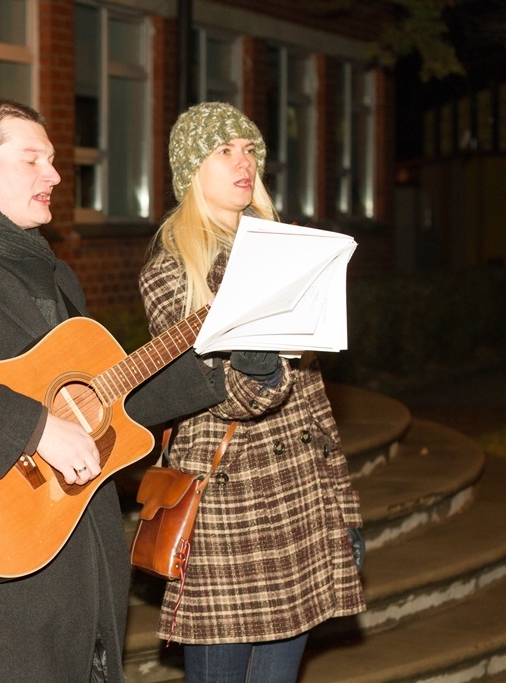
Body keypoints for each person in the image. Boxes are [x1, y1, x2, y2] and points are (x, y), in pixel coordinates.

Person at [0, 98, 227, 682]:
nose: (55, 175)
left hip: (82, 549)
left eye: (54, 160)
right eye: (31, 158)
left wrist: (222, 367)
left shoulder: (55, 274)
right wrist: (34, 428)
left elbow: (110, 405)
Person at [139, 101, 366, 682]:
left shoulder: (285, 253)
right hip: (227, 510)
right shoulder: (172, 268)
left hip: (300, 503)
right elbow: (226, 396)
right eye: (224, 151)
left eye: (250, 151)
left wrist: (344, 513)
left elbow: (314, 404)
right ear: (192, 169)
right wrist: (260, 359)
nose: (243, 162)